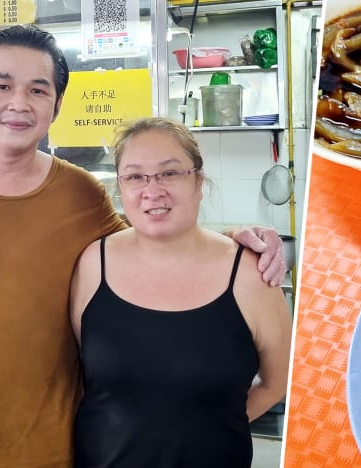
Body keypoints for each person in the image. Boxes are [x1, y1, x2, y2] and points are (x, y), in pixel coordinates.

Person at [0, 24, 285, 467]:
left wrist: (237, 245)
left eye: (38, 89)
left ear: (56, 106)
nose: (19, 103)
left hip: (49, 451)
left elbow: (158, 239)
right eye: (2, 85)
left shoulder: (80, 193)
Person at [70, 117, 292, 467]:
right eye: (135, 176)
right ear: (121, 187)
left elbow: (277, 384)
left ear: (199, 182)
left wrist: (211, 426)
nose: (152, 190)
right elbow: (85, 380)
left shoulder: (250, 273)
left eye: (169, 173)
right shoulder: (92, 263)